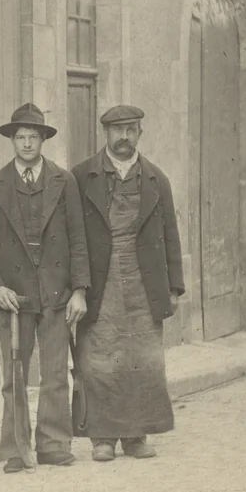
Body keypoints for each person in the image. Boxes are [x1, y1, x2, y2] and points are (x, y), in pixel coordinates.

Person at [0, 103, 90, 473]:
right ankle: (15, 449)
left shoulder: (64, 181)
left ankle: (54, 444)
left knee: (55, 372)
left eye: (33, 137)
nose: (26, 143)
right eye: (20, 137)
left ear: (43, 140)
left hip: (56, 293)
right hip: (15, 296)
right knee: (14, 376)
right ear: (12, 141)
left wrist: (80, 290)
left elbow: (78, 239)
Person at [70, 105, 184, 462]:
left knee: (142, 359)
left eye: (130, 130)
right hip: (99, 280)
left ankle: (136, 435)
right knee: (99, 360)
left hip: (142, 280)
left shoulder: (155, 179)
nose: (124, 137)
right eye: (117, 130)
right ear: (105, 134)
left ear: (139, 133)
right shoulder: (81, 177)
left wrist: (175, 286)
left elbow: (170, 235)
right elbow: (73, 237)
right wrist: (76, 286)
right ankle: (102, 437)